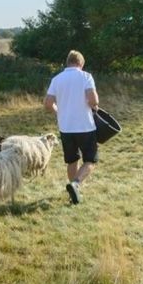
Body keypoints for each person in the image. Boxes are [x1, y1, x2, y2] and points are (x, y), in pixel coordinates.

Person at [44, 50, 99, 204]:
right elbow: (93, 100)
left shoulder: (57, 79)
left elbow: (48, 103)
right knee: (90, 160)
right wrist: (94, 105)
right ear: (81, 63)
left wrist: (58, 111)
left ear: (68, 62)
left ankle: (73, 194)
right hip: (85, 126)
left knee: (72, 161)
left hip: (66, 127)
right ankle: (75, 184)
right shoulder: (86, 77)